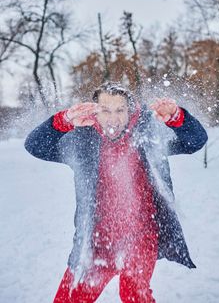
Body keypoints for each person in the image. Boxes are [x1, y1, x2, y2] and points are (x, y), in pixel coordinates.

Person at [25, 82, 208, 303]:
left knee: (133, 296)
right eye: (106, 110)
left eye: (120, 110)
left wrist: (176, 116)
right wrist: (63, 121)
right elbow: (35, 146)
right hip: (96, 244)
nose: (113, 118)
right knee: (68, 299)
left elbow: (195, 141)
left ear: (129, 111)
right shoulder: (82, 141)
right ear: (95, 112)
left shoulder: (148, 136)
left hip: (140, 239)